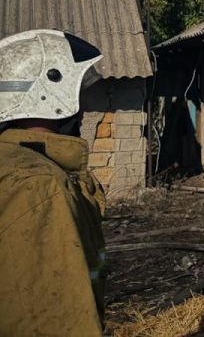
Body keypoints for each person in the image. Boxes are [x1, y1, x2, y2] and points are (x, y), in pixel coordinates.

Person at [0, 29, 107, 336]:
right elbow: (55, 320)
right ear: (51, 94)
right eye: (81, 93)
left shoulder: (12, 164)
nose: (85, 107)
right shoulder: (39, 187)